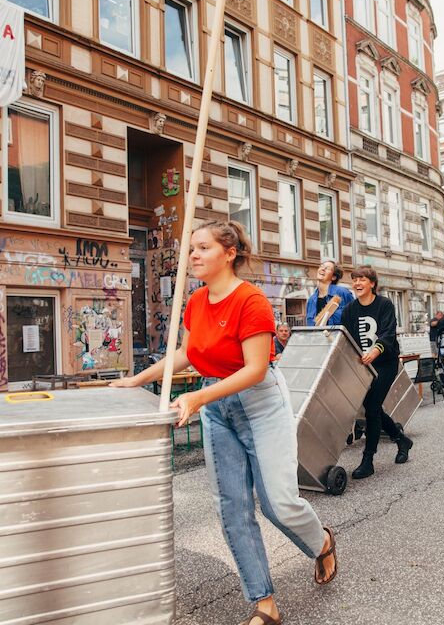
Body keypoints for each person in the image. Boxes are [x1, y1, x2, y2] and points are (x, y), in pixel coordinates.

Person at [110, 221, 337, 625]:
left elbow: (253, 370)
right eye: (191, 249)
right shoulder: (196, 301)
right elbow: (186, 354)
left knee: (278, 505)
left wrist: (197, 397)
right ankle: (264, 602)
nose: (193, 255)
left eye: (202, 248)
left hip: (259, 401)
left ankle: (320, 541)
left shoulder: (251, 301)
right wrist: (138, 378)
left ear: (229, 253)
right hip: (217, 407)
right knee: (232, 507)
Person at [341, 265, 414, 479]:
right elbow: (346, 341)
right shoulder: (349, 311)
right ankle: (401, 440)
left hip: (385, 363)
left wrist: (375, 351)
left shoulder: (384, 305)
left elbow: (388, 333)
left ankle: (368, 460)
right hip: (362, 366)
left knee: (372, 407)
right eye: (354, 279)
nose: (357, 283)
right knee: (373, 408)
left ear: (372, 283)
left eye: (362, 279)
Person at [305, 260, 354, 326]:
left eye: (327, 268)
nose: (322, 269)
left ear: (333, 277)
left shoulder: (343, 293)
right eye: (322, 266)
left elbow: (354, 318)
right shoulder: (311, 300)